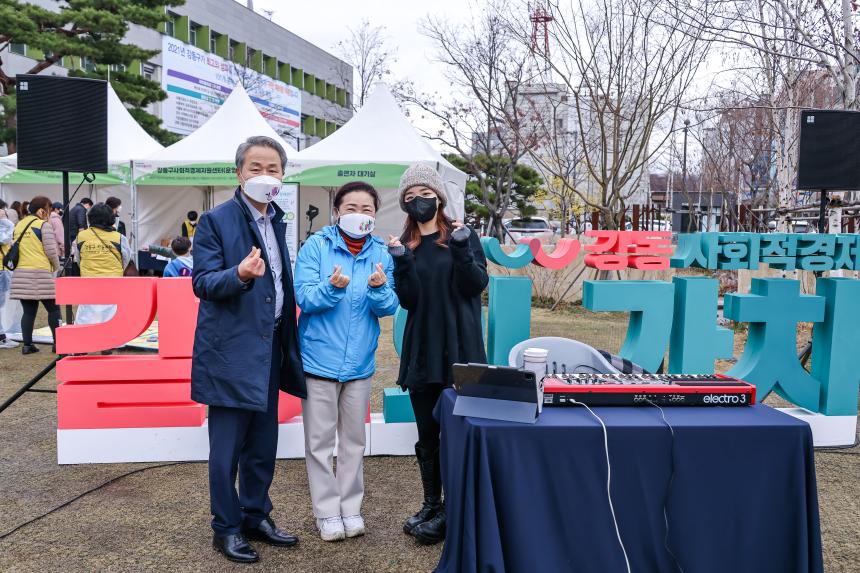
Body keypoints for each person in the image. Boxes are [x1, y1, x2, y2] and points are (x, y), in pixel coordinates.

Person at [191, 135, 305, 564]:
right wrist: (238, 274)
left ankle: (256, 514)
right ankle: (226, 526)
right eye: (255, 168)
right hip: (230, 351)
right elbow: (202, 283)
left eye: (272, 168)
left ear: (282, 176)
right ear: (238, 173)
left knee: (263, 440)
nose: (264, 176)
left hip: (270, 344)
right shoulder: (215, 220)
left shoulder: (278, 220)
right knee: (227, 448)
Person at [388, 164, 489, 545]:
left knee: (457, 432)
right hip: (422, 349)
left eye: (424, 194)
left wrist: (462, 246)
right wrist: (400, 260)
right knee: (427, 434)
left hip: (461, 349)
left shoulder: (462, 236)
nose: (419, 202)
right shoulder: (406, 245)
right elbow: (409, 299)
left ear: (439, 198)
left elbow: (475, 284)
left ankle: (454, 510)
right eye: (410, 197)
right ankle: (432, 505)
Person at [294, 181, 399, 542]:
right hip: (318, 359)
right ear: (336, 212)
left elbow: (388, 307)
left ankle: (351, 508)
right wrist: (331, 288)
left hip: (359, 364)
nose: (358, 214)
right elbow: (304, 297)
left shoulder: (381, 253)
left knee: (353, 440)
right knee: (319, 441)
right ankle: (327, 512)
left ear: (374, 215)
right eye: (351, 207)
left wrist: (379, 288)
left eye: (366, 209)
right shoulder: (316, 247)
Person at [10, 196, 61, 355]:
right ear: (41, 210)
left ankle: (27, 345)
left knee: (29, 311)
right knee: (54, 309)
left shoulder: (19, 225)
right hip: (40, 273)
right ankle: (58, 344)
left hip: (21, 273)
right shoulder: (42, 225)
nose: (49, 212)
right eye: (48, 209)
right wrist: (56, 267)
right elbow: (51, 251)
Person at [73, 203, 132, 328]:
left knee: (87, 312)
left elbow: (78, 259)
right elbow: (126, 259)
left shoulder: (81, 236)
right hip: (113, 281)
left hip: (88, 280)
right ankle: (110, 340)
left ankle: (84, 338)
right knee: (110, 312)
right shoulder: (119, 237)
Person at [0, 206, 18, 349]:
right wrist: (7, 223)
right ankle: (1, 337)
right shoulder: (4, 228)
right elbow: (5, 239)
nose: (4, 214)